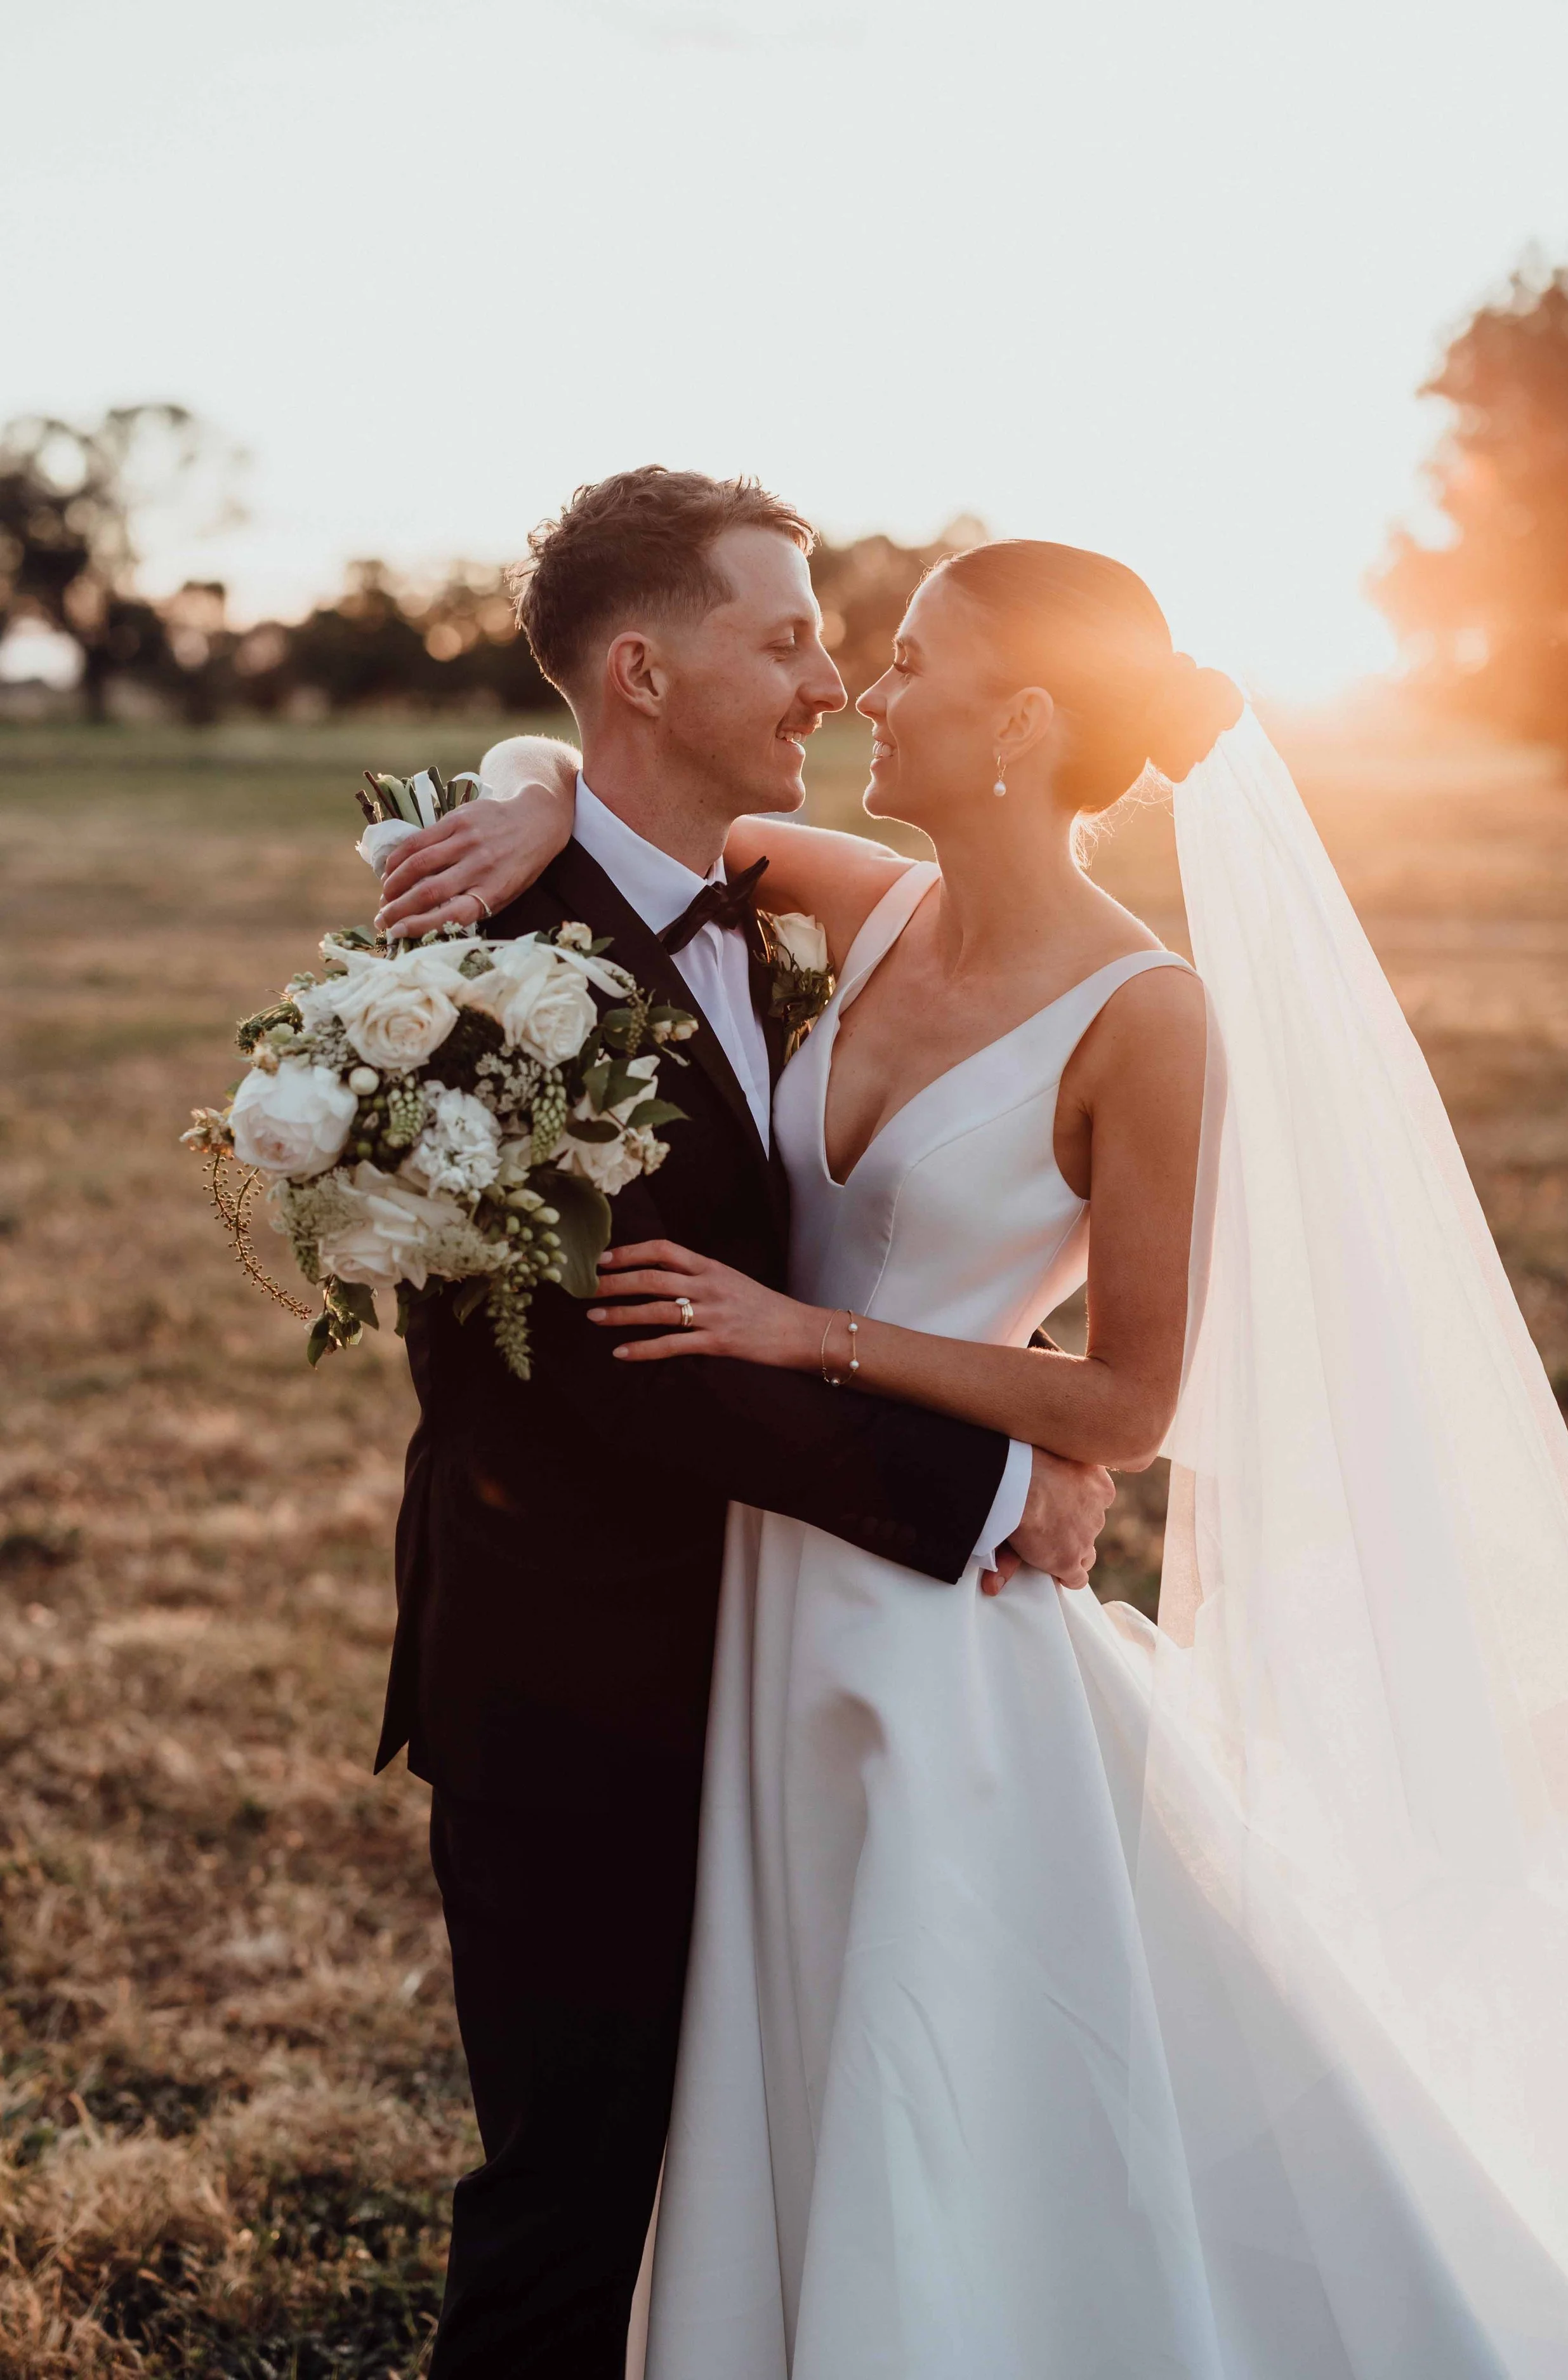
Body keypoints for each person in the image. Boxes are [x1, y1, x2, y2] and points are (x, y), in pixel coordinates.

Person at [393, 527, 1568, 2376]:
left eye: (914, 667)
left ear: (1022, 719)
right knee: (765, 2058)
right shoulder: (862, 906)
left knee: (932, 2095)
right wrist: (529, 785)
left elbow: (1127, 1407)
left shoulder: (1144, 1017)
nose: (867, 691)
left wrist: (816, 1333)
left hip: (934, 1642)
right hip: (758, 1596)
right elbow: (640, 811)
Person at [371, 470, 1115, 2380]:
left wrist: (549, 771)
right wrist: (992, 1485)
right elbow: (623, 1360)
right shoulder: (473, 976)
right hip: (578, 1666)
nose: (830, 679)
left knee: (806, 2158)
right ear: (642, 668)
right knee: (572, 2190)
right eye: (782, 637)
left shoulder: (801, 909)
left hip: (795, 1660)